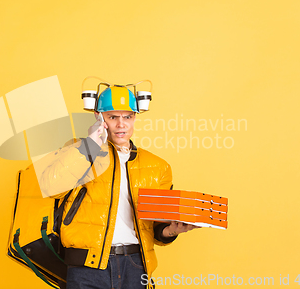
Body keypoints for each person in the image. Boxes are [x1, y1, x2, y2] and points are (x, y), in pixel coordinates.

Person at [41, 84, 199, 289]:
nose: (121, 124)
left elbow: (156, 225)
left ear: (135, 117)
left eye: (127, 117)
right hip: (87, 267)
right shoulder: (79, 151)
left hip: (135, 265)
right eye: (113, 117)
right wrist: (90, 144)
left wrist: (170, 230)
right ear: (99, 117)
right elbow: (51, 186)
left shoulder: (158, 166)